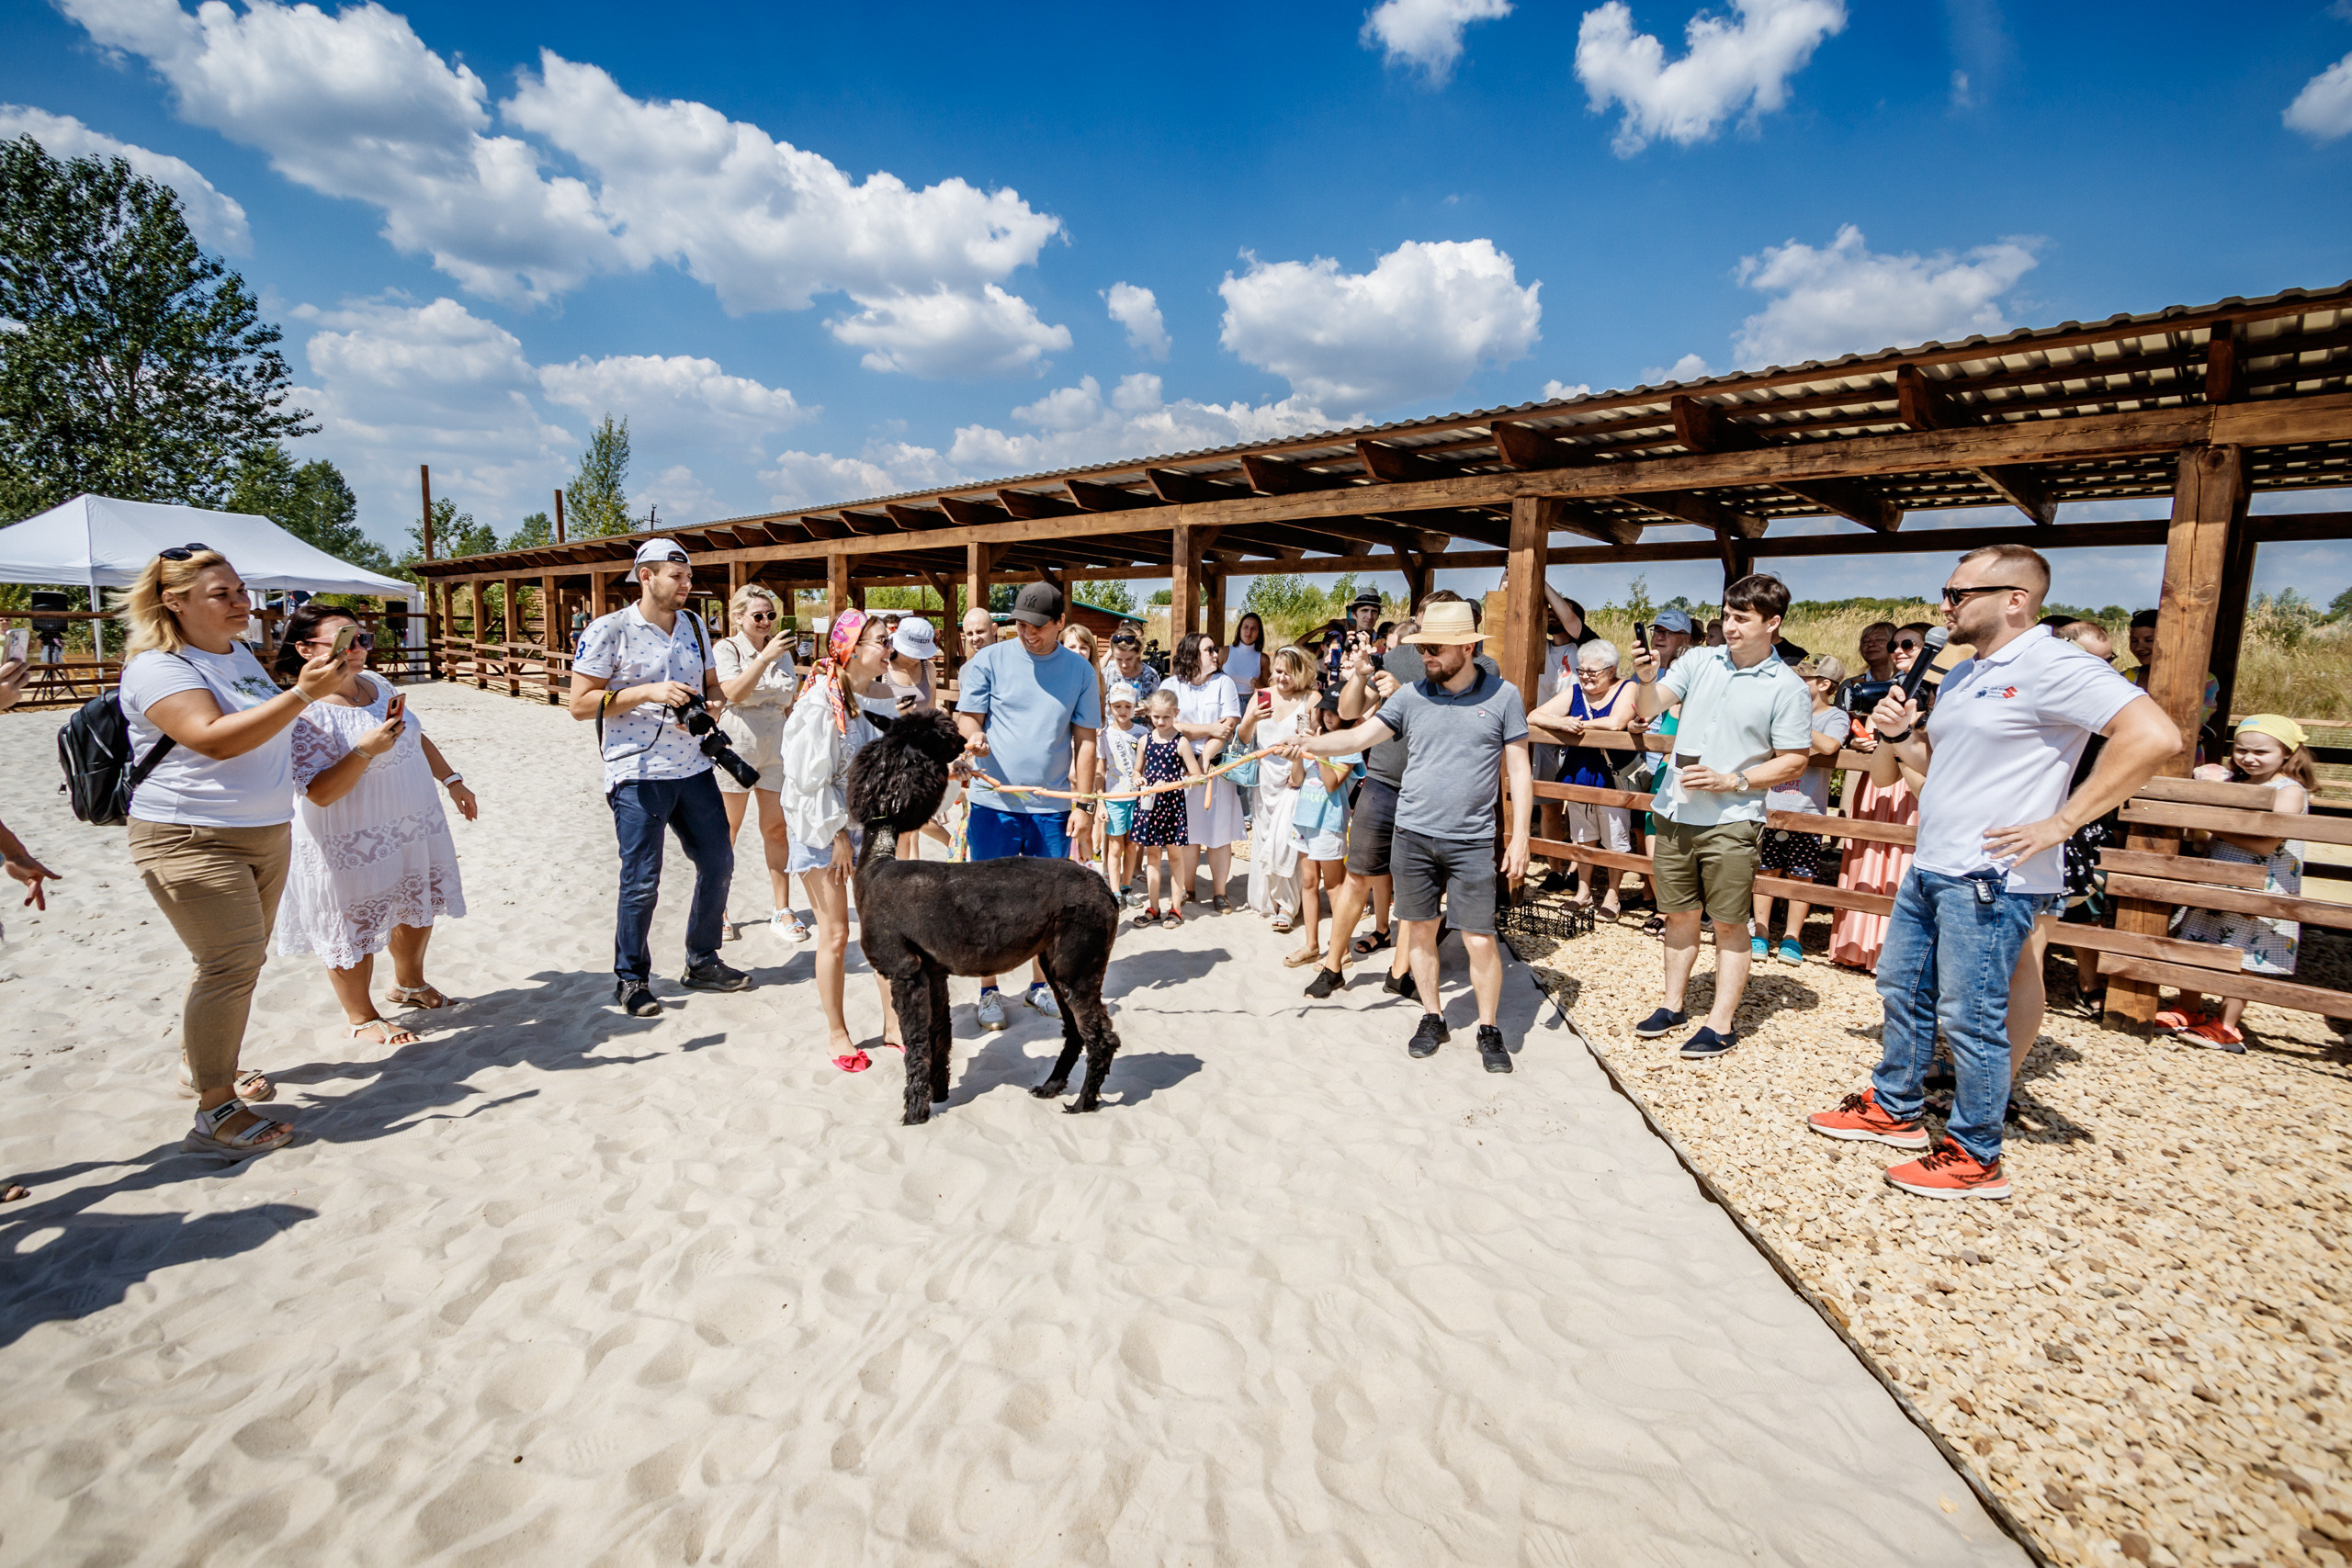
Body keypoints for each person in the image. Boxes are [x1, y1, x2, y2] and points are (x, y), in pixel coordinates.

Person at [1806, 543, 2177, 1200]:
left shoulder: (2054, 662)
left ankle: (1976, 1154)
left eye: (1958, 593)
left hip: (1991, 875)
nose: (1944, 605)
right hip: (1934, 860)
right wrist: (1901, 738)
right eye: (1946, 593)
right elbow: (1942, 763)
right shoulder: (1963, 673)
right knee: (1902, 988)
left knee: (1971, 1015)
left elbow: (2155, 737)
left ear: (2015, 599)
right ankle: (1895, 1107)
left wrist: (2063, 822)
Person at [118, 546, 348, 1158]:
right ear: (175, 601)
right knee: (231, 964)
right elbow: (213, 740)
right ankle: (215, 1109)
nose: (242, 602)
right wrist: (301, 695)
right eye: (222, 594)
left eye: (242, 590)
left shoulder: (239, 655)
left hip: (264, 831)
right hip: (189, 834)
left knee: (234, 962)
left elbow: (268, 727)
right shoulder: (158, 667)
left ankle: (199, 1064)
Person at [1280, 597, 1532, 1074]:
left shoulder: (1504, 696)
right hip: (1413, 834)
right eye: (1422, 647)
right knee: (1418, 929)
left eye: (1434, 648)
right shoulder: (1412, 695)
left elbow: (1519, 769)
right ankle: (1432, 1016)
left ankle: (1488, 1027)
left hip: (1472, 839)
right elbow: (1357, 737)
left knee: (1479, 939)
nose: (1425, 656)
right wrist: (1309, 743)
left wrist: (1520, 837)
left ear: (1468, 647)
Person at [1628, 574, 1815, 1059]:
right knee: (1678, 914)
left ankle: (1721, 1023)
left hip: (1733, 818)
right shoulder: (1698, 660)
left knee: (1730, 923)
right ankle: (1672, 1005)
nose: (1730, 627)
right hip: (1675, 809)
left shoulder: (1787, 687)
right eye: (1727, 616)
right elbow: (1651, 706)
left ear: (1772, 623)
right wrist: (1646, 680)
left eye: (1741, 618)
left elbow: (1794, 761)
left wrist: (1732, 779)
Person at [273, 606, 475, 1044]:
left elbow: (413, 735)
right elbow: (319, 793)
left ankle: (409, 984)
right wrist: (365, 751)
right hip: (348, 830)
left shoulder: (378, 684)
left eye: (363, 638)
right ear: (305, 649)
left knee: (415, 901)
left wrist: (452, 780)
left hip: (409, 817)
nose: (359, 648)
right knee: (351, 922)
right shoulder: (303, 713)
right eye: (345, 641)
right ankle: (361, 1016)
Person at [569, 538, 748, 1017]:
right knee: (642, 880)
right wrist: (649, 692)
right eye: (677, 576)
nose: (686, 584)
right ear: (645, 577)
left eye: (688, 577)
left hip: (694, 766)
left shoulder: (694, 625)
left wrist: (714, 707)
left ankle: (702, 960)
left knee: (719, 863)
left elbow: (713, 686)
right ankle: (631, 979)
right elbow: (579, 704)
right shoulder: (609, 629)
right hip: (637, 771)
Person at [1308, 592, 1498, 999]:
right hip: (1384, 780)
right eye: (1423, 625)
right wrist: (1360, 676)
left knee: (1420, 887)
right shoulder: (1396, 657)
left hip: (1433, 793)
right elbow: (1350, 711)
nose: (1425, 640)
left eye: (1435, 629)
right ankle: (1332, 965)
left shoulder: (1485, 669)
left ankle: (1400, 971)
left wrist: (1402, 693)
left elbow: (1460, 721)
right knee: (1358, 875)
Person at [956, 580, 1102, 1028]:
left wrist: (1083, 807)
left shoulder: (1081, 671)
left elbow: (1086, 741)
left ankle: (1040, 987)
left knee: (1050, 907)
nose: (1028, 632)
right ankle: (989, 990)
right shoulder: (990, 659)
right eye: (1020, 624)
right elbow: (967, 716)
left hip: (1052, 807)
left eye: (1038, 625)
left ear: (1060, 622)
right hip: (992, 803)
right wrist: (973, 736)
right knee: (986, 902)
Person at [778, 609, 902, 1071]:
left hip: (865, 825)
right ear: (852, 650)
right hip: (820, 828)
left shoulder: (878, 698)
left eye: (889, 641)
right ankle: (838, 1033)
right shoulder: (819, 704)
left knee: (881, 928)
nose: (889, 649)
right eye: (881, 641)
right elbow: (806, 781)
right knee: (835, 933)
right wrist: (837, 836)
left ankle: (894, 1023)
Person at [2154, 715, 2315, 1051]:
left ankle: (2227, 1025)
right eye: (2242, 750)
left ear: (2288, 752)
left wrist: (2211, 823)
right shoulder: (2235, 784)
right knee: (2196, 942)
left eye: (2261, 752)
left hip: (2261, 886)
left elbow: (2266, 843)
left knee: (2244, 954)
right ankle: (2189, 1009)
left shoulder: (2289, 791)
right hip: (2217, 880)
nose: (2249, 758)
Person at [1828, 627, 1931, 970]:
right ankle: (1859, 945)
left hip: (1916, 790)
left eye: (1908, 644)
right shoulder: (1888, 693)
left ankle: (1897, 955)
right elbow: (1881, 767)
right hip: (1882, 782)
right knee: (1868, 856)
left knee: (1903, 863)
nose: (1897, 650)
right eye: (1894, 644)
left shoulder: (1942, 695)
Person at [714, 584, 808, 943]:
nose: (767, 621)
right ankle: (717, 908)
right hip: (738, 741)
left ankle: (782, 909)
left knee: (777, 828)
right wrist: (764, 658)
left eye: (771, 615)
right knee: (728, 830)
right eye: (758, 615)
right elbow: (734, 692)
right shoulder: (727, 648)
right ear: (738, 618)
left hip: (776, 741)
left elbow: (789, 699)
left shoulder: (781, 650)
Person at [1748, 655, 1850, 966]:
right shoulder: (1781, 712)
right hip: (1771, 806)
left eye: (1803, 679)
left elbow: (1830, 746)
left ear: (1824, 684)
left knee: (1801, 875)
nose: (1795, 683)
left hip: (1806, 811)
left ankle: (1792, 936)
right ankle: (1761, 932)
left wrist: (1796, 720)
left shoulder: (1835, 716)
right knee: (1765, 870)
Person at [1528, 638, 1637, 918]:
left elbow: (1616, 722)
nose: (1585, 677)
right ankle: (1583, 892)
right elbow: (1534, 716)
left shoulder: (1627, 687)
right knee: (1582, 836)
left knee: (1615, 839)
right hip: (1579, 773)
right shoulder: (1575, 691)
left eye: (1592, 672)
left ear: (1611, 670)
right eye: (1582, 670)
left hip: (1612, 777)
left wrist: (1578, 725)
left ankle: (1612, 896)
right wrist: (1560, 722)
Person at [1236, 646, 1319, 933]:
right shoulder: (1263, 696)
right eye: (1278, 671)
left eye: (1289, 673)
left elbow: (1315, 740)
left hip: (1295, 778)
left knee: (1286, 841)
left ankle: (1287, 904)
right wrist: (1251, 719)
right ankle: (1267, 899)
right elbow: (1243, 737)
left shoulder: (1310, 699)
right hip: (1265, 779)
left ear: (1302, 673)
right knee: (1265, 837)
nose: (1282, 678)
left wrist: (1300, 757)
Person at [1164, 630, 1244, 910]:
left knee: (1218, 833)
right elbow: (1170, 726)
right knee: (1188, 832)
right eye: (1209, 650)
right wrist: (1208, 729)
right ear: (1192, 655)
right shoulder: (1171, 685)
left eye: (1215, 649)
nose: (1215, 654)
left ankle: (1220, 893)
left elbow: (1229, 725)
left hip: (1216, 765)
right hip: (1182, 768)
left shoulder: (1224, 683)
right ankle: (1189, 889)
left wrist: (1206, 758)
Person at [1126, 688, 1203, 927]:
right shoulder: (1144, 741)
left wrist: (1172, 784)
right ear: (1149, 714)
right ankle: (1153, 908)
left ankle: (1176, 909)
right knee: (1152, 857)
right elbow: (1137, 770)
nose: (1160, 722)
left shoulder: (1181, 742)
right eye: (1156, 717)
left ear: (1176, 713)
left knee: (1175, 857)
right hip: (1150, 806)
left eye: (1166, 717)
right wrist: (1138, 779)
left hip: (1172, 806)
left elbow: (1196, 776)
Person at [1286, 737, 1361, 973]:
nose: (1328, 719)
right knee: (1308, 882)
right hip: (1304, 819)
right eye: (1325, 715)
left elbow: (1331, 784)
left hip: (1329, 824)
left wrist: (1322, 752)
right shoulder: (1313, 740)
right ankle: (1312, 945)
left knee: (1333, 886)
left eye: (1334, 716)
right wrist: (1297, 758)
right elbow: (1297, 779)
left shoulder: (1349, 747)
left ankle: (1342, 951)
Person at [1099, 682, 1147, 905]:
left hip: (1137, 799)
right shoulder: (1104, 735)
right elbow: (1100, 770)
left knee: (1132, 845)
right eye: (1117, 706)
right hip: (1114, 798)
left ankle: (1127, 888)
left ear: (1135, 706)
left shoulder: (1143, 733)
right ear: (1110, 706)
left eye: (1127, 706)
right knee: (1115, 846)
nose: (1123, 711)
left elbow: (1147, 766)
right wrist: (1101, 801)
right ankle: (1115, 891)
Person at [878, 615, 939, 710]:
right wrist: (890, 713)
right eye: (911, 652)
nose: (916, 658)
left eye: (921, 653)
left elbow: (932, 710)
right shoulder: (880, 668)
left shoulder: (929, 668)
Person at [1099, 626, 1161, 704]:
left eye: (1129, 659)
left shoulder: (1150, 675)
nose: (1124, 665)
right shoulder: (1106, 674)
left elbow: (1159, 705)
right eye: (1119, 659)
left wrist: (1147, 707)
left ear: (1138, 653)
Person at [1226, 613, 1268, 691]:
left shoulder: (1263, 659)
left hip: (1249, 698)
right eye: (1246, 627)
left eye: (1253, 629)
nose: (1249, 632)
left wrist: (1258, 685)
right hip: (1224, 698)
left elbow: (1267, 688)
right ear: (1240, 630)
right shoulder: (1224, 652)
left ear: (1259, 633)